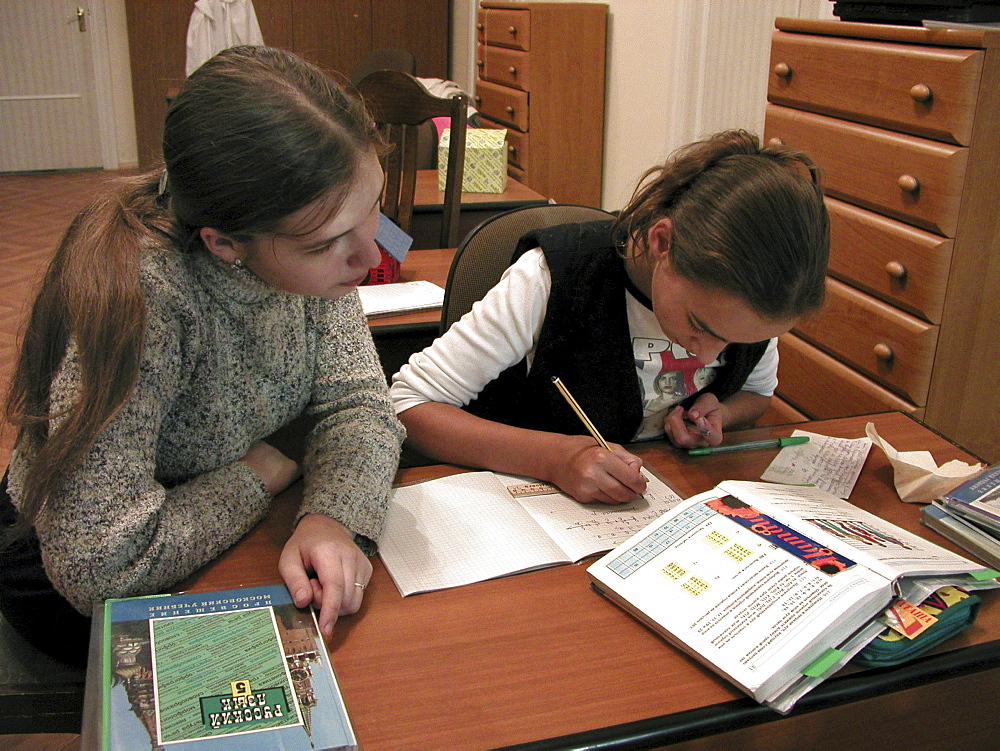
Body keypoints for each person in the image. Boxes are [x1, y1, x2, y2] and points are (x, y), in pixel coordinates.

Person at [0, 46, 405, 667]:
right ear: (224, 243)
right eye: (328, 242)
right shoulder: (140, 295)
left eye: (374, 204)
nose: (372, 255)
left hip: (208, 530)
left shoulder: (309, 256)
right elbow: (100, 566)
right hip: (77, 581)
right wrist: (262, 471)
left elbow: (360, 405)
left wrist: (332, 518)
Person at [390, 130, 829, 506]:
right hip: (530, 511)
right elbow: (408, 407)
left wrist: (721, 415)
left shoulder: (747, 306)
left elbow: (756, 394)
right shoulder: (554, 278)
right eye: (700, 325)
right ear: (662, 243)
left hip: (662, 503)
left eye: (734, 343)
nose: (708, 354)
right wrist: (555, 457)